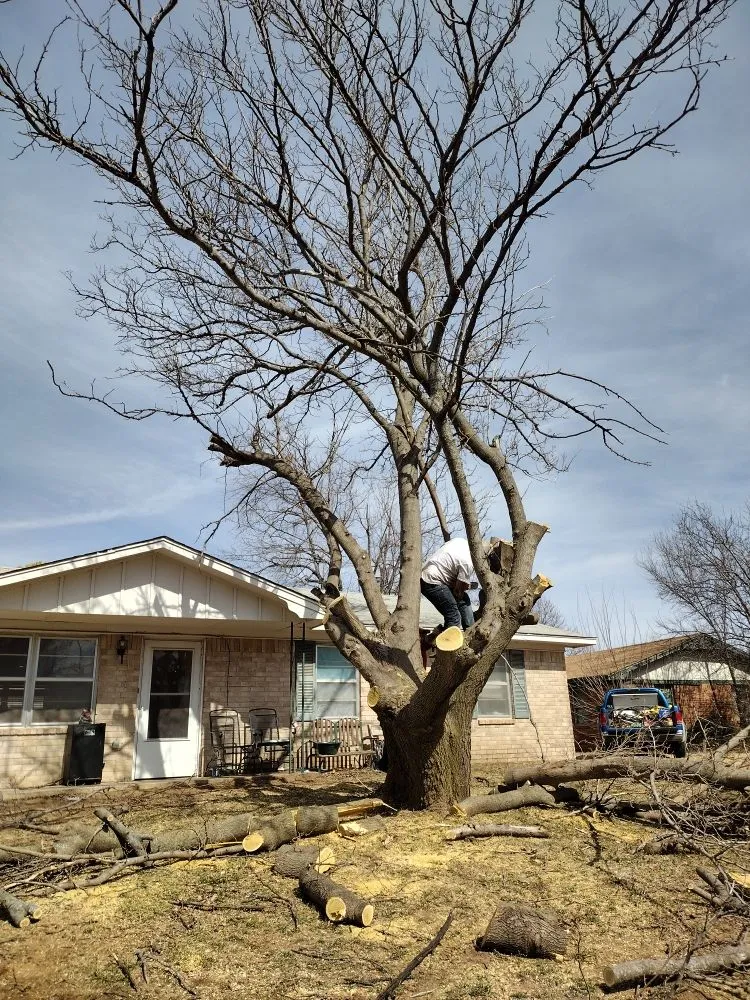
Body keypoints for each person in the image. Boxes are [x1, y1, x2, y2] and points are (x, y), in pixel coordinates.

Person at [420, 537, 477, 635]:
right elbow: (458, 592)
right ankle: (448, 641)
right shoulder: (468, 563)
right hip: (433, 581)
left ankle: (470, 631)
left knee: (464, 599)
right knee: (454, 617)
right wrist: (463, 586)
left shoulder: (460, 541)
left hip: (427, 573)